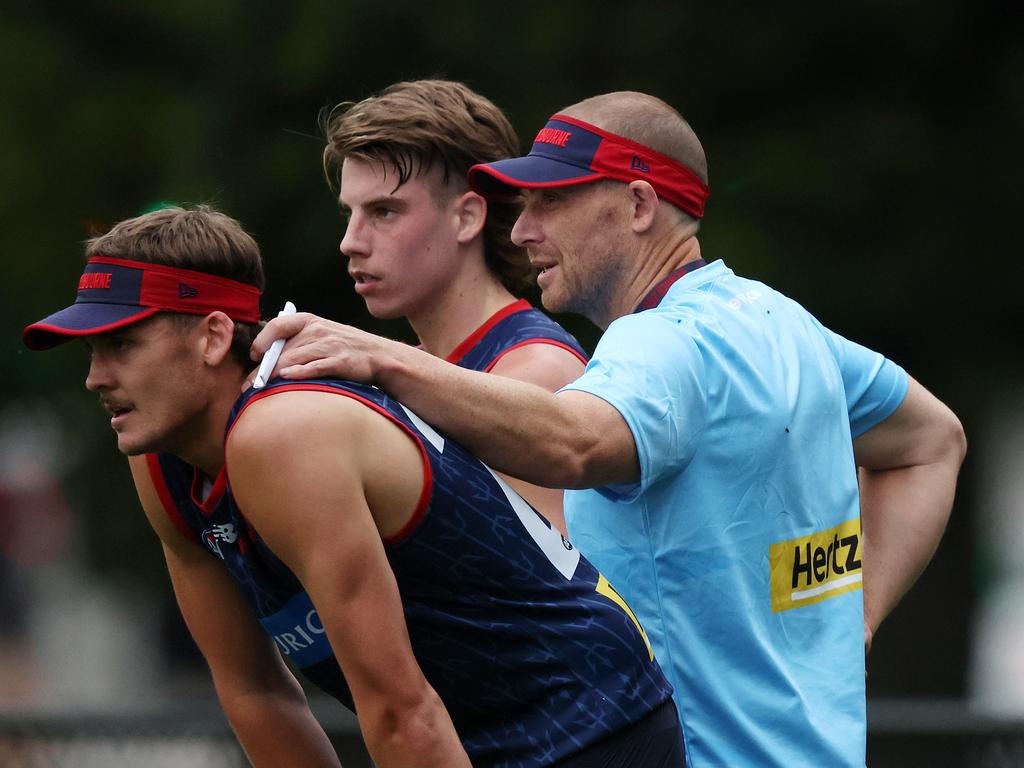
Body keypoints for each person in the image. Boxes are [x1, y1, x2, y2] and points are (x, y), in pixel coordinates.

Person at [250, 92, 968, 767]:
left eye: (551, 202)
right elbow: (934, 439)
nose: (524, 228)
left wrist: (380, 360)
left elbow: (575, 441)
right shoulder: (780, 321)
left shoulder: (659, 344)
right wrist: (855, 614)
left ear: (638, 204)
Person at [23, 205, 684, 768]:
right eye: (90, 351)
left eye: (122, 345)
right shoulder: (159, 458)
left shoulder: (283, 433)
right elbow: (257, 693)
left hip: (592, 726)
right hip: (462, 737)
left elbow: (401, 711)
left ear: (214, 336)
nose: (95, 377)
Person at [321, 79, 587, 533]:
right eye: (350, 213)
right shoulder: (418, 369)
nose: (351, 242)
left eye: (384, 212)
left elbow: (551, 593)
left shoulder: (537, 373)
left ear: (467, 217)